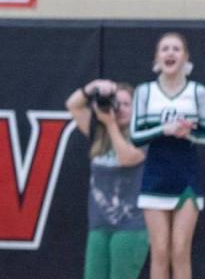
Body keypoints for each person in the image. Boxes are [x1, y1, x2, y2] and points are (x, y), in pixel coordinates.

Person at [130, 33, 205, 279]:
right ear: (157, 57)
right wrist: (163, 129)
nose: (170, 53)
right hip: (155, 178)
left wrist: (187, 133)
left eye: (176, 49)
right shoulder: (145, 91)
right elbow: (136, 136)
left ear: (185, 57)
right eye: (165, 48)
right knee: (159, 251)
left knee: (180, 251)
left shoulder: (198, 92)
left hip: (186, 178)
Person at [66, 79, 148, 279]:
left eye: (127, 104)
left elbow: (127, 158)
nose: (120, 109)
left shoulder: (143, 135)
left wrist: (110, 123)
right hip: (99, 223)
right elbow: (73, 105)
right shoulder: (98, 133)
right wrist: (93, 87)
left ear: (137, 109)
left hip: (131, 225)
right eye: (116, 103)